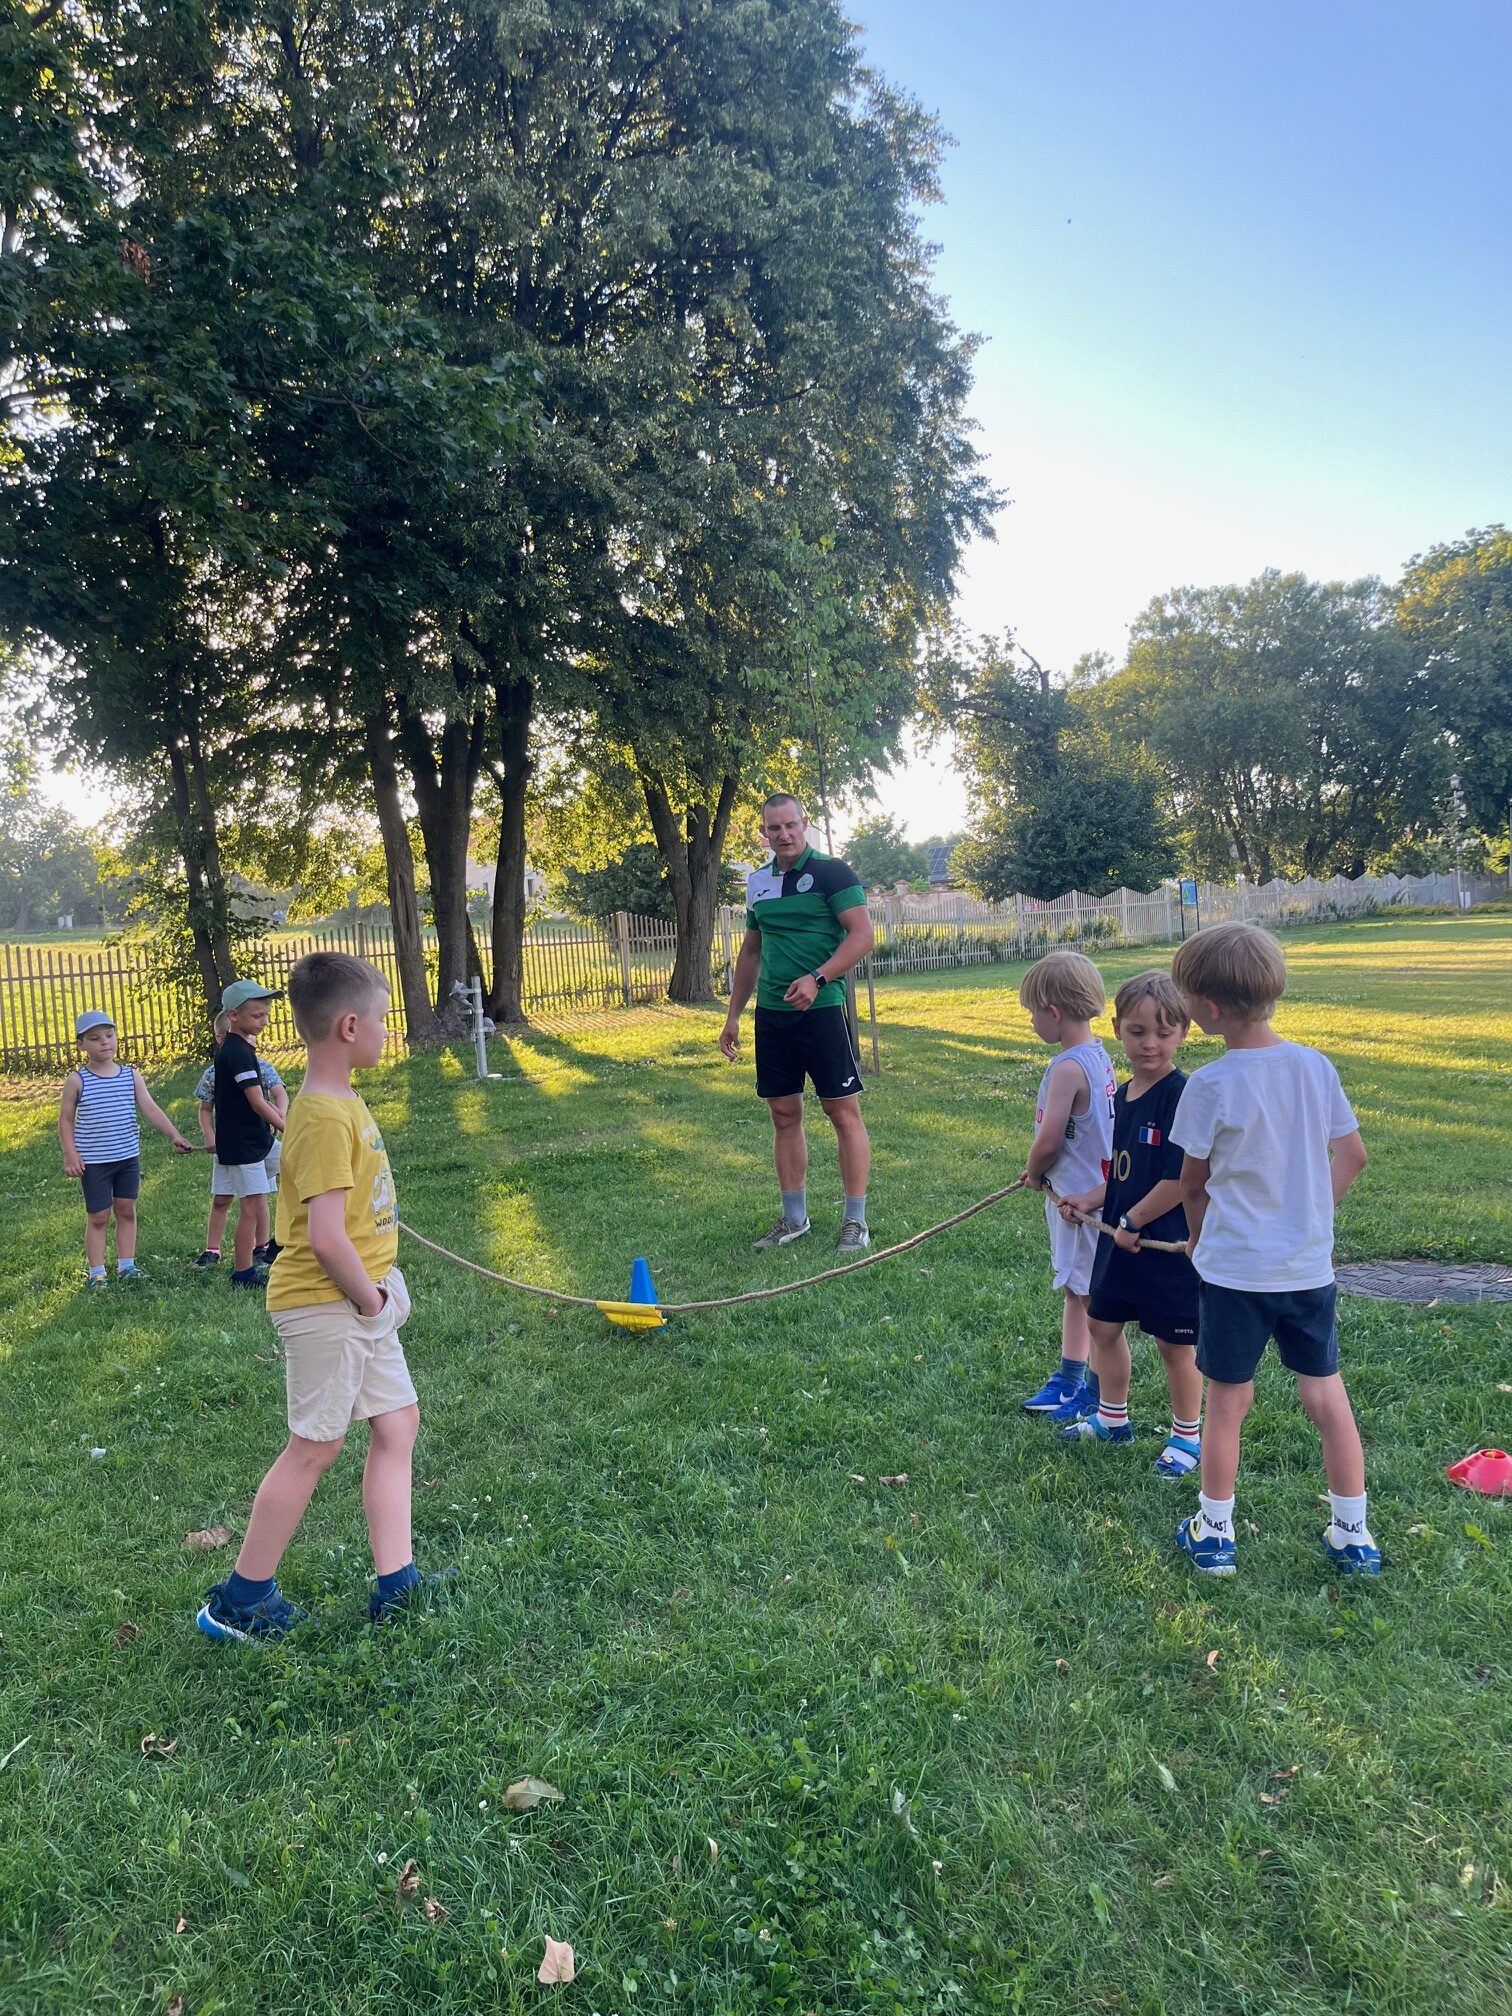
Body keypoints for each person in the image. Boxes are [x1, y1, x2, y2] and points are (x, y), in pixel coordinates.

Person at [197, 950, 446, 1642]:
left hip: (360, 1298)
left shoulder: (342, 1101)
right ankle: (241, 1599)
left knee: (397, 1425)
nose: (387, 1031)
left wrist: (374, 1293)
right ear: (348, 1027)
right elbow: (327, 1238)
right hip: (328, 1303)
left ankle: (398, 1583)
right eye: (382, 1020)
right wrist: (372, 1302)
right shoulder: (323, 1117)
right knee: (314, 1447)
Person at [1169, 921, 1377, 1578]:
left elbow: (1191, 1184)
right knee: (1326, 1395)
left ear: (1208, 1009)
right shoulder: (1315, 1067)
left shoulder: (1208, 1084)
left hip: (1234, 1274)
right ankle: (1353, 1536)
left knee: (1228, 1401)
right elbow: (1353, 1156)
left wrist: (1197, 1239)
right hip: (1307, 1269)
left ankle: (1214, 1533)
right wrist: (1309, 1216)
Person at [1055, 971, 1204, 1474]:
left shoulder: (1182, 1096)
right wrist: (1089, 1200)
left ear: (1184, 1032)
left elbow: (1180, 1180)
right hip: (1121, 1238)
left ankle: (1186, 1437)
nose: (1150, 1043)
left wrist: (1133, 1221)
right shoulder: (1122, 1097)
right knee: (1101, 1323)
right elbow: (1124, 1174)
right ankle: (1112, 1419)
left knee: (1173, 1343)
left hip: (1165, 1242)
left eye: (1164, 1032)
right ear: (1117, 1028)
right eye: (1137, 1031)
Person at [719, 793, 876, 1251]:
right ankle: (794, 1218)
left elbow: (863, 936)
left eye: (790, 825)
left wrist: (818, 977)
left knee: (841, 1112)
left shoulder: (832, 873)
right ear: (763, 833)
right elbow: (751, 951)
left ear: (804, 824)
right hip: (773, 1016)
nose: (783, 834)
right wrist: (733, 1015)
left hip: (823, 1011)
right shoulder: (758, 882)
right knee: (784, 1114)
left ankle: (855, 1221)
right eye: (774, 828)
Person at [1018, 950, 1118, 1423]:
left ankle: (1095, 1391)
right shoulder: (1099, 1055)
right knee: (1077, 1290)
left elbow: (1050, 1139)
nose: (1032, 1022)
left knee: (1091, 1298)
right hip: (1089, 1194)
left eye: (1033, 1013)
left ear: (1053, 1013)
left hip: (1079, 1203)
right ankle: (1069, 1376)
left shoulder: (1067, 1069)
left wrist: (1034, 1171)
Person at [58, 1009, 193, 1286]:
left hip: (127, 1158)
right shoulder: (77, 1080)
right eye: (95, 1038)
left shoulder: (131, 1076)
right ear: (81, 1045)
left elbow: (150, 1108)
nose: (104, 1042)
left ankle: (126, 1266)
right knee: (98, 1216)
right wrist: (71, 1154)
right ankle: (97, 1273)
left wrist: (174, 1135)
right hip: (94, 1162)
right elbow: (66, 1120)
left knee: (126, 1210)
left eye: (109, 1035)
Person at [194, 1009, 288, 1269]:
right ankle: (215, 1251)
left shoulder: (260, 1065)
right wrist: (209, 1135)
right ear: (221, 1038)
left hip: (259, 1143)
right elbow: (206, 1108)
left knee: (259, 1197)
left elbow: (279, 1095)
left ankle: (262, 1246)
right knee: (224, 1198)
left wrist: (279, 1118)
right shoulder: (215, 1071)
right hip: (235, 1145)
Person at [212, 979, 286, 1289]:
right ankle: (243, 1272)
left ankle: (281, 1241)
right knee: (252, 1206)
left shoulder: (243, 1047)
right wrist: (288, 1127)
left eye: (266, 1014)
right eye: (257, 1016)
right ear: (233, 1016)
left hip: (259, 1140)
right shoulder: (235, 1051)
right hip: (242, 1145)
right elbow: (257, 1101)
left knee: (297, 1166)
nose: (264, 1021)